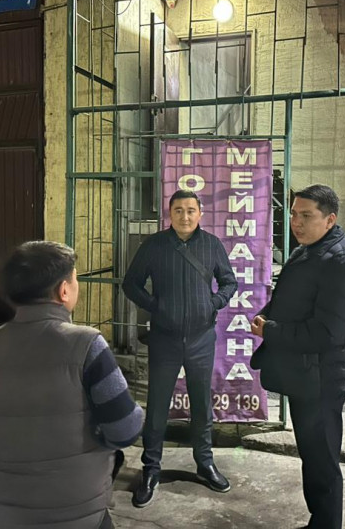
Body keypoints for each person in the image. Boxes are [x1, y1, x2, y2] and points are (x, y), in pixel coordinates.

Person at [0, 241, 143, 528]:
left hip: (0, 511)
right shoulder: (86, 344)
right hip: (77, 512)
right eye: (75, 278)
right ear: (64, 290)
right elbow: (125, 429)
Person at [251, 184, 345, 529]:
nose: (297, 222)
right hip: (306, 377)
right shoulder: (310, 249)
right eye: (293, 214)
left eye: (306, 215)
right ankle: (320, 521)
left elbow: (326, 333)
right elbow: (293, 299)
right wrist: (267, 315)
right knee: (312, 458)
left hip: (323, 381)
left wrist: (270, 331)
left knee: (322, 463)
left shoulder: (342, 262)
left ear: (330, 219)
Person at [122, 189, 238, 508]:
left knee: (202, 404)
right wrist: (156, 306)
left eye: (190, 210)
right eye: (178, 211)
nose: (185, 216)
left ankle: (205, 463)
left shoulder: (212, 245)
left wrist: (213, 303)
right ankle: (151, 468)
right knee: (158, 406)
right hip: (165, 338)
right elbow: (130, 283)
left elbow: (229, 282)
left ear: (200, 213)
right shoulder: (154, 245)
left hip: (202, 339)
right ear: (169, 213)